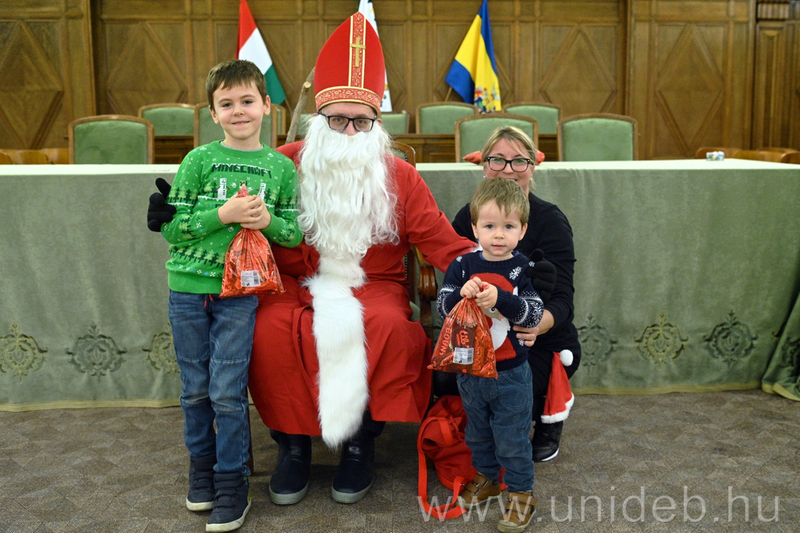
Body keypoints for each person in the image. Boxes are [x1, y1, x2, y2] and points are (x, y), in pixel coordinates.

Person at [159, 59, 302, 532]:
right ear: (213, 113)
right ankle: (201, 470)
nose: (238, 111)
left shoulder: (280, 168)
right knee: (195, 391)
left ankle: (232, 480)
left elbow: (293, 233)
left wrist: (267, 221)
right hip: (187, 290)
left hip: (239, 294)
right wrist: (223, 214)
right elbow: (172, 229)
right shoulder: (198, 160)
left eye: (247, 101)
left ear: (267, 106)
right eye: (227, 104)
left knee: (226, 391)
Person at [451, 126, 582, 463]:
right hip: (481, 333)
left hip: (535, 335)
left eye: (518, 161)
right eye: (498, 159)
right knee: (449, 380)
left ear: (532, 167)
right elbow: (452, 278)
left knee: (521, 384)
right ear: (484, 165)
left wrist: (536, 325)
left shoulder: (550, 221)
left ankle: (547, 417)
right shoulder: (467, 218)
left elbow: (563, 299)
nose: (508, 169)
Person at [438, 177, 543, 532]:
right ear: (474, 228)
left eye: (508, 226)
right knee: (478, 433)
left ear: (522, 230)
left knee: (512, 437)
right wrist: (461, 295)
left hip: (510, 373)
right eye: (489, 226)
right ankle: (486, 478)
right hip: (470, 371)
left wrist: (502, 299)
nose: (498, 235)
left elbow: (533, 314)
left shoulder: (523, 268)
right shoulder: (462, 265)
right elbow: (443, 307)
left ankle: (521, 493)